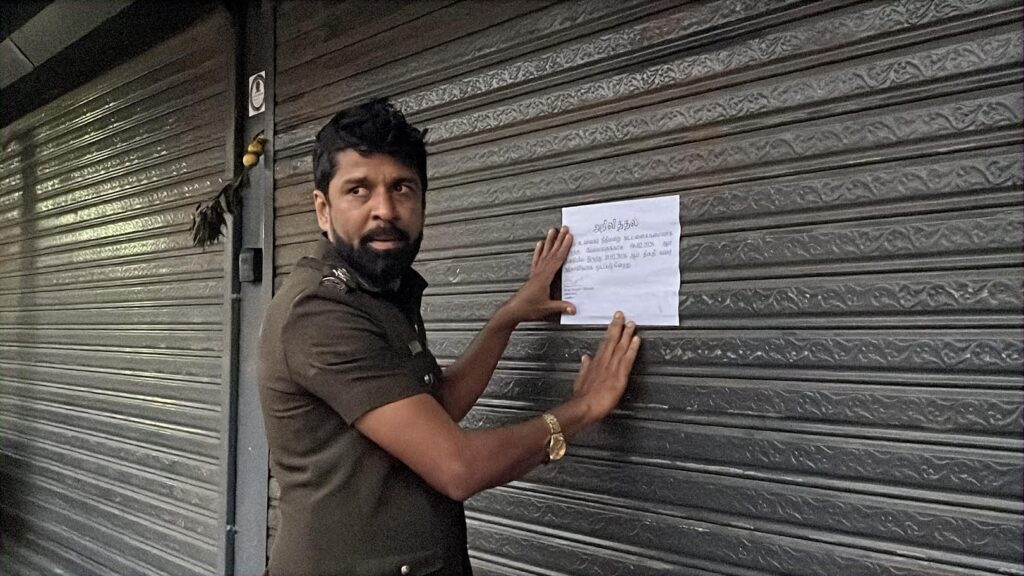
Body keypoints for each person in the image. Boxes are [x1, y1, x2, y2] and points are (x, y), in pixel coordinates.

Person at [258, 98, 640, 576]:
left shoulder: (381, 291)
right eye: (358, 190)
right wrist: (583, 409)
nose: (385, 210)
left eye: (402, 187)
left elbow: (434, 409)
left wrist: (507, 318)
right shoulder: (320, 312)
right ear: (323, 209)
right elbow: (457, 467)